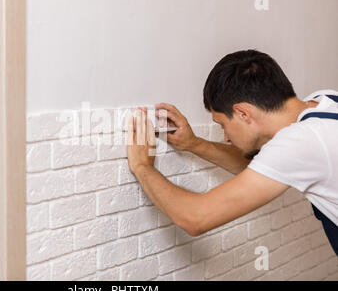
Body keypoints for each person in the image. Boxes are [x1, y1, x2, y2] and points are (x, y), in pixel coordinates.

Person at [126, 49, 338, 255]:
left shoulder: (302, 141)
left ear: (243, 113)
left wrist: (142, 166)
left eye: (222, 124)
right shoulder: (325, 101)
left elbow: (195, 218)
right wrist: (194, 144)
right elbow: (268, 167)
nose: (226, 136)